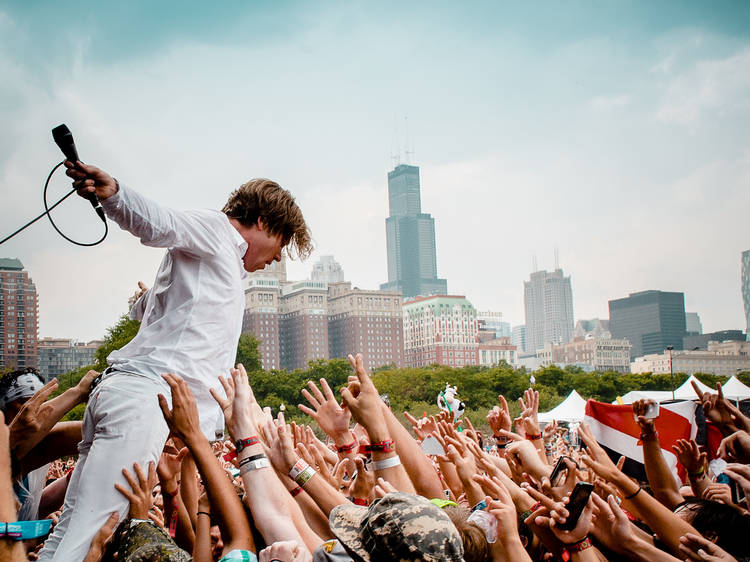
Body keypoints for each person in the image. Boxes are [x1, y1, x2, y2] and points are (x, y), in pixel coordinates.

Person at [38, 160, 311, 561]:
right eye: (282, 242)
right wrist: (114, 193)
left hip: (132, 392)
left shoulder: (220, 266)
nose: (277, 258)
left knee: (73, 532)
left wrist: (144, 302)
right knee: (93, 536)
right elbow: (160, 222)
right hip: (142, 398)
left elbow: (169, 309)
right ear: (261, 221)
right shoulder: (216, 230)